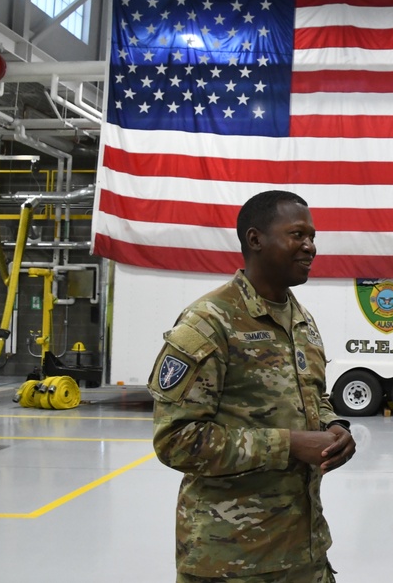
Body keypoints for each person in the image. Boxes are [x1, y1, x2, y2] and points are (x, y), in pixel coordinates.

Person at [148, 190, 356, 583]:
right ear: (255, 239)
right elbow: (175, 440)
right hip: (231, 559)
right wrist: (289, 444)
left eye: (312, 236)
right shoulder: (209, 322)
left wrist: (334, 428)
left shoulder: (302, 320)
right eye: (297, 235)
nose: (310, 246)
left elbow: (314, 398)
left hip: (304, 551)